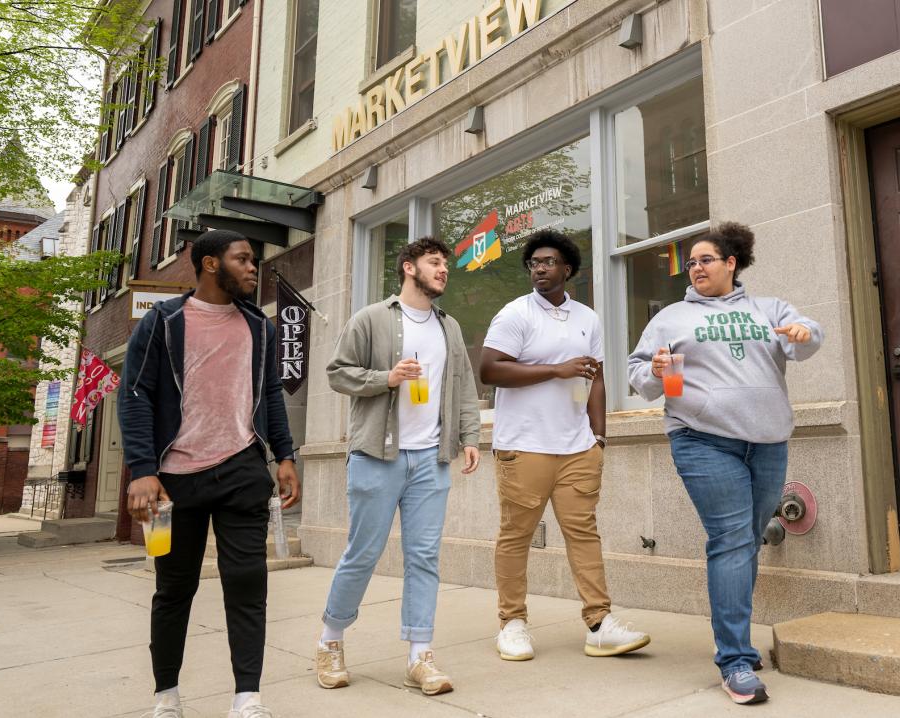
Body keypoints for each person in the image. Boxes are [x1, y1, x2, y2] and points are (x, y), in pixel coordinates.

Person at [627, 222, 823, 705]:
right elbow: (639, 374)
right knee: (732, 539)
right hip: (702, 440)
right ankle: (734, 659)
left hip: (767, 442)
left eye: (706, 259)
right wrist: (653, 370)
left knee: (749, 539)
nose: (695, 268)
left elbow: (805, 339)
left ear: (731, 262)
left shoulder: (768, 309)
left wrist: (804, 332)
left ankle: (738, 644)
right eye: (691, 262)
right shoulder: (671, 317)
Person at [119, 230, 301, 718]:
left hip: (242, 469)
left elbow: (270, 394)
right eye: (242, 259)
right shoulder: (163, 321)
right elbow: (135, 394)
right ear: (210, 264)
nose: (252, 267)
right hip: (173, 481)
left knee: (247, 585)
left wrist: (285, 455)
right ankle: (166, 697)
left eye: (253, 260)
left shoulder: (259, 326)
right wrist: (142, 470)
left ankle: (247, 698)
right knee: (173, 589)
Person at [318, 237, 481, 695]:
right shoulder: (371, 318)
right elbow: (337, 372)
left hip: (431, 458)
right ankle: (330, 640)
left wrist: (470, 437)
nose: (443, 269)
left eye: (445, 264)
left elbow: (464, 385)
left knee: (424, 557)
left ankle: (419, 655)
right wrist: (384, 378)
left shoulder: (449, 326)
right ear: (409, 267)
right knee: (363, 553)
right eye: (434, 262)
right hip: (377, 455)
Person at [479, 229, 650, 662]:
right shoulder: (515, 314)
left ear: (567, 268)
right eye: (534, 262)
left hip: (577, 447)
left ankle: (599, 624)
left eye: (549, 261)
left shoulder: (587, 318)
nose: (539, 268)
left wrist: (599, 435)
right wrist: (556, 370)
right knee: (516, 536)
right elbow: (490, 370)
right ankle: (512, 623)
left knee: (584, 533)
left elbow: (596, 378)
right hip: (524, 446)